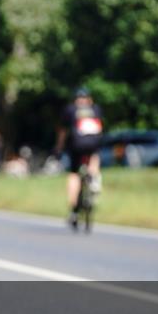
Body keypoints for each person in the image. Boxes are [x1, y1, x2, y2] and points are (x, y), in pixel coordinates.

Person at [54, 87, 104, 229]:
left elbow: (63, 131)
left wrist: (59, 147)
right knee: (94, 157)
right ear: (90, 99)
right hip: (94, 144)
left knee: (74, 175)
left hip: (77, 146)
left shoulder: (71, 110)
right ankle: (94, 179)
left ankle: (73, 209)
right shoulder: (96, 109)